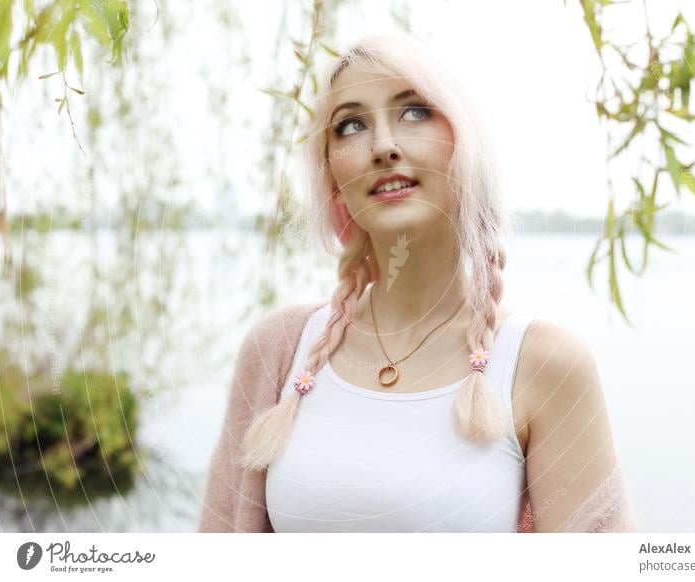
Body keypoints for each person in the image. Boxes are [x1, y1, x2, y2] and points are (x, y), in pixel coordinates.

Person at [200, 32, 636, 533]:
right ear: (331, 174)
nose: (382, 146)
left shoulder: (544, 365)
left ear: (463, 146)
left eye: (414, 112)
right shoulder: (278, 351)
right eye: (351, 125)